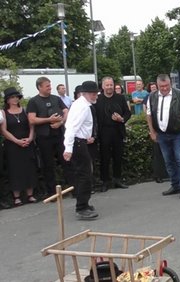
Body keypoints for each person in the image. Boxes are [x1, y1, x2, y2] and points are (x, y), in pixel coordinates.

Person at [146, 74, 180, 200]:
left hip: (178, 133)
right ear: (157, 85)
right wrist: (152, 131)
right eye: (161, 86)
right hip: (161, 134)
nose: (164, 88)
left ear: (170, 84)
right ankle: (175, 185)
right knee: (168, 162)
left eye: (166, 85)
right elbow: (149, 115)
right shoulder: (152, 96)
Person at [27, 76, 73, 198]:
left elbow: (66, 111)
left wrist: (61, 122)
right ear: (39, 87)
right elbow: (31, 119)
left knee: (66, 161)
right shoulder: (33, 101)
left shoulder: (56, 99)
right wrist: (49, 120)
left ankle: (72, 187)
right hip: (44, 137)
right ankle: (52, 192)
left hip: (59, 135)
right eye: (47, 86)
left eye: (50, 85)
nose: (50, 88)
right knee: (48, 165)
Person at [63, 81, 100, 220]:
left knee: (83, 174)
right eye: (93, 93)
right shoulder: (82, 107)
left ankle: (84, 203)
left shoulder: (82, 104)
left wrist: (87, 136)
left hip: (80, 142)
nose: (95, 95)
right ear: (85, 93)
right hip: (77, 144)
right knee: (84, 175)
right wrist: (68, 148)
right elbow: (71, 127)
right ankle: (81, 207)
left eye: (96, 93)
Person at [0, 87, 38, 206]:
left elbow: (31, 125)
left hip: (27, 142)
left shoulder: (25, 110)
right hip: (12, 145)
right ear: (7, 100)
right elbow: (4, 130)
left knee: (29, 167)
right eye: (12, 97)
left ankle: (30, 194)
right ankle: (16, 197)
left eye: (16, 97)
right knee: (15, 169)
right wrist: (16, 141)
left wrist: (30, 138)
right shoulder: (3, 113)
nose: (15, 99)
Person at [95, 77, 131, 191]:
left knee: (118, 157)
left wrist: (121, 119)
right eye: (107, 85)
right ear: (103, 86)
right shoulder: (98, 99)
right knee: (104, 158)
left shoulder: (120, 98)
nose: (109, 87)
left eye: (111, 85)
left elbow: (128, 113)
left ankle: (117, 180)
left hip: (117, 130)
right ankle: (105, 181)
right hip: (103, 132)